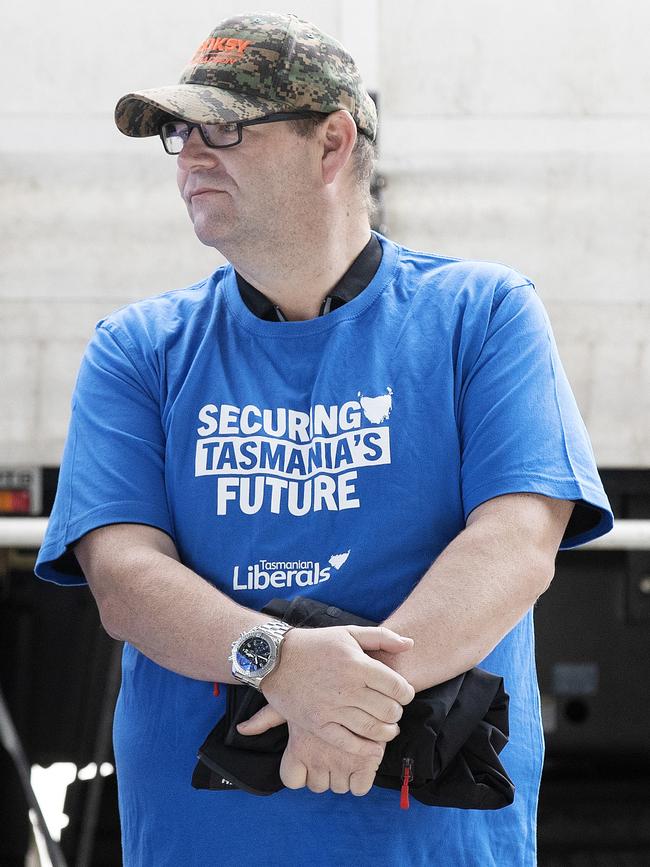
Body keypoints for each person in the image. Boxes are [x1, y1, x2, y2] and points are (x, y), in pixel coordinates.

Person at [36, 11, 613, 866]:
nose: (191, 153)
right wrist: (279, 662)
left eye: (223, 127)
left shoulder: (482, 314)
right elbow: (122, 579)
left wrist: (346, 703)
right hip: (205, 842)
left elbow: (518, 544)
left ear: (332, 143)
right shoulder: (137, 349)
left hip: (433, 844)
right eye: (181, 132)